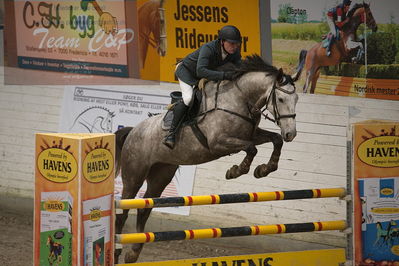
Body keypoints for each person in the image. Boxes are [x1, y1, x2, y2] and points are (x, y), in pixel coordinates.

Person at [162, 25, 242, 149]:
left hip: (204, 76)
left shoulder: (234, 52)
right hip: (187, 72)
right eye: (231, 43)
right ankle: (171, 134)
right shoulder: (208, 48)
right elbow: (200, 71)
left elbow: (239, 69)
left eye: (236, 44)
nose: (234, 47)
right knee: (188, 99)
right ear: (222, 41)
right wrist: (225, 75)